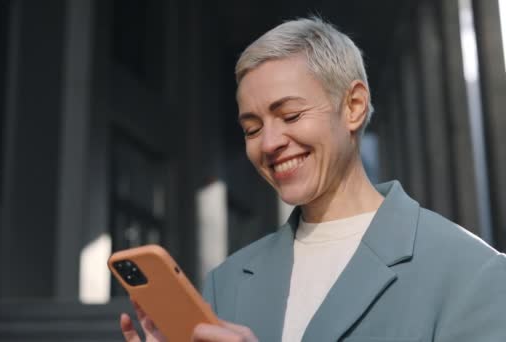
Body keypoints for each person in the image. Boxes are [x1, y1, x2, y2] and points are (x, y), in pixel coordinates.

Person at [120, 17, 506, 341]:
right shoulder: (229, 281)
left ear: (353, 107)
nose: (269, 143)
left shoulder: (471, 273)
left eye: (290, 116)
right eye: (252, 130)